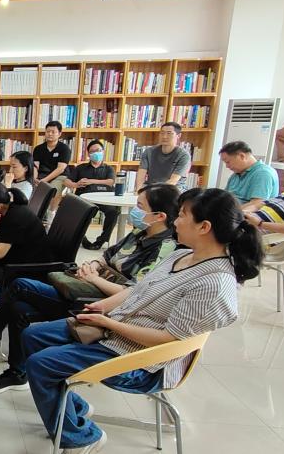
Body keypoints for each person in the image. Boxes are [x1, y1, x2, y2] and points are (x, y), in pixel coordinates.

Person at [21, 188, 262, 453]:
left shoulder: (213, 284)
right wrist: (104, 307)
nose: (175, 221)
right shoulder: (180, 255)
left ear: (204, 227)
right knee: (32, 336)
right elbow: (138, 290)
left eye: (182, 215)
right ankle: (73, 407)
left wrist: (109, 323)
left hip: (144, 363)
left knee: (41, 364)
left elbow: (169, 340)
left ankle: (82, 438)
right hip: (119, 332)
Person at [0, 184, 180, 394]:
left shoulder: (165, 250)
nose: (135, 210)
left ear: (159, 216)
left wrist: (94, 279)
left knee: (19, 286)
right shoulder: (140, 232)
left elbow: (134, 294)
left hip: (96, 303)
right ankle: (16, 370)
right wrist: (93, 265)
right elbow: (107, 255)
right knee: (18, 309)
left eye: (140, 206)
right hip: (85, 285)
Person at [65, 140, 119, 250]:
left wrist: (91, 181)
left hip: (104, 199)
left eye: (98, 150)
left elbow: (110, 182)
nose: (95, 153)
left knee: (113, 211)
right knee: (80, 211)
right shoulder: (81, 168)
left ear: (103, 151)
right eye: (92, 151)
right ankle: (82, 238)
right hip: (84, 198)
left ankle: (101, 241)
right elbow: (66, 181)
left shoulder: (108, 168)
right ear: (88, 154)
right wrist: (76, 184)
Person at [219, 140, 280, 210]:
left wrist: (229, 213)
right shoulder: (236, 174)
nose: (227, 166)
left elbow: (257, 204)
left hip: (242, 214)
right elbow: (225, 197)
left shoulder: (263, 173)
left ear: (242, 156)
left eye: (228, 162)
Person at [134, 122, 191, 190]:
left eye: (169, 133)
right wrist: (139, 191)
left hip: (174, 190)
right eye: (162, 133)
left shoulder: (183, 155)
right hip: (152, 188)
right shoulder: (149, 152)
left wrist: (156, 193)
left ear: (178, 136)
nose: (164, 136)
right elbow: (141, 175)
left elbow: (173, 181)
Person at [33, 121, 71, 210]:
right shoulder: (38, 148)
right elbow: (35, 166)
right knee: (32, 188)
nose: (50, 134)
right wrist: (35, 178)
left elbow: (60, 169)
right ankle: (37, 212)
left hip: (59, 176)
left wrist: (44, 181)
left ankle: (51, 213)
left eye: (53, 132)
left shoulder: (64, 149)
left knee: (53, 190)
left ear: (59, 134)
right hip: (42, 175)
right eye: (48, 131)